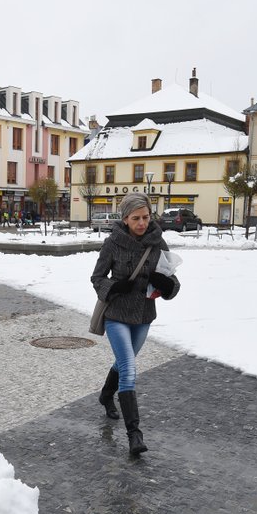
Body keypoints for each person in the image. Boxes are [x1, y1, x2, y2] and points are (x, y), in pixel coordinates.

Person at [90, 192, 180, 456]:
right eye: (136, 218)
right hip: (117, 314)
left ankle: (106, 395)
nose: (142, 223)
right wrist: (115, 286)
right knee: (129, 367)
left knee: (121, 363)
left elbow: (173, 282)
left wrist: (167, 285)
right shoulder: (113, 243)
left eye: (146, 217)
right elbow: (97, 278)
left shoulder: (158, 242)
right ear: (125, 219)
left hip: (143, 316)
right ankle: (134, 435)